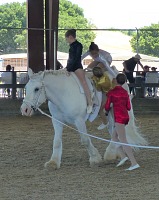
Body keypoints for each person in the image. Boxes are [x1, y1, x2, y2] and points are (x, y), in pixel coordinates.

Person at [105, 73, 140, 171]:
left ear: (116, 80)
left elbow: (107, 106)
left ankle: (134, 162)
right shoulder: (125, 92)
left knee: (123, 140)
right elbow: (128, 107)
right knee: (114, 137)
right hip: (125, 117)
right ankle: (123, 156)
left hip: (118, 118)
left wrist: (106, 111)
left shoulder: (112, 92)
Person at [65, 29, 92, 114]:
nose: (66, 40)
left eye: (67, 38)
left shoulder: (78, 45)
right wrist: (67, 67)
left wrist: (69, 68)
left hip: (77, 67)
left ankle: (90, 103)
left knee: (83, 82)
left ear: (70, 37)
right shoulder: (72, 46)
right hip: (71, 66)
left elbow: (76, 58)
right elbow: (70, 58)